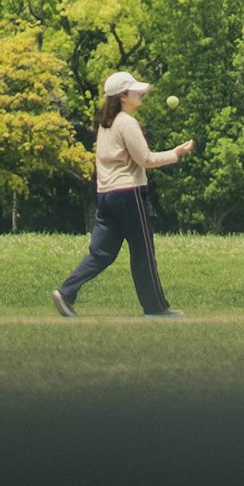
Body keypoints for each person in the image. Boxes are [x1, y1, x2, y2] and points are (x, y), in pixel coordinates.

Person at [54, 70, 193, 318]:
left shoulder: (105, 124)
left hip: (106, 196)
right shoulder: (127, 123)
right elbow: (146, 159)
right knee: (143, 251)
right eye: (134, 91)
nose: (139, 94)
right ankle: (156, 308)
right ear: (122, 96)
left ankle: (66, 292)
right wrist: (176, 153)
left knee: (101, 253)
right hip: (129, 194)